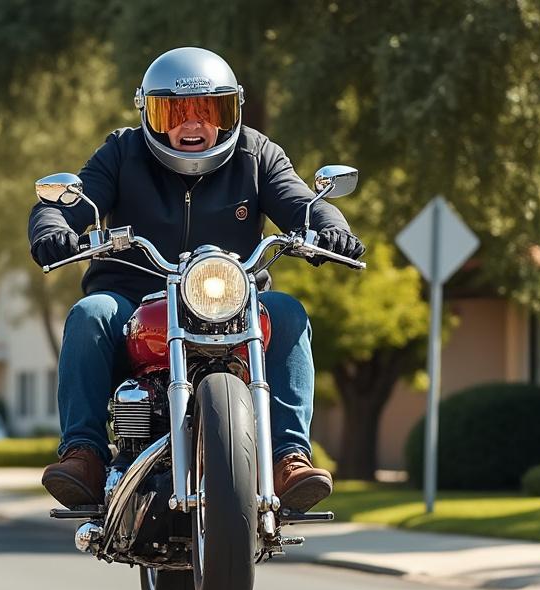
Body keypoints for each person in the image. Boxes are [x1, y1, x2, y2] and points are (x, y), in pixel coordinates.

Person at [28, 47, 365, 512]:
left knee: (287, 312)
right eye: (176, 111)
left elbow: (300, 201)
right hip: (133, 301)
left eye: (209, 110)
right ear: (150, 113)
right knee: (91, 312)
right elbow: (68, 204)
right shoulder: (122, 152)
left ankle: (289, 459)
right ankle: (83, 454)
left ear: (230, 113)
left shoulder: (256, 153)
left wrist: (331, 228)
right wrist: (53, 229)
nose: (193, 123)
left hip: (233, 304)